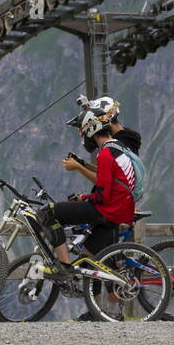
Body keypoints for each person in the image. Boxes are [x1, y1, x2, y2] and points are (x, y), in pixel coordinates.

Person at [38, 100, 137, 321]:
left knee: (48, 213)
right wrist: (86, 195)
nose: (82, 136)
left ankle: (62, 266)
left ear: (90, 129)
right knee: (92, 257)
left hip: (107, 210)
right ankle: (106, 313)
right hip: (119, 210)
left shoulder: (106, 154)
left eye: (82, 131)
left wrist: (85, 197)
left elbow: (102, 194)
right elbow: (110, 184)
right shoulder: (117, 149)